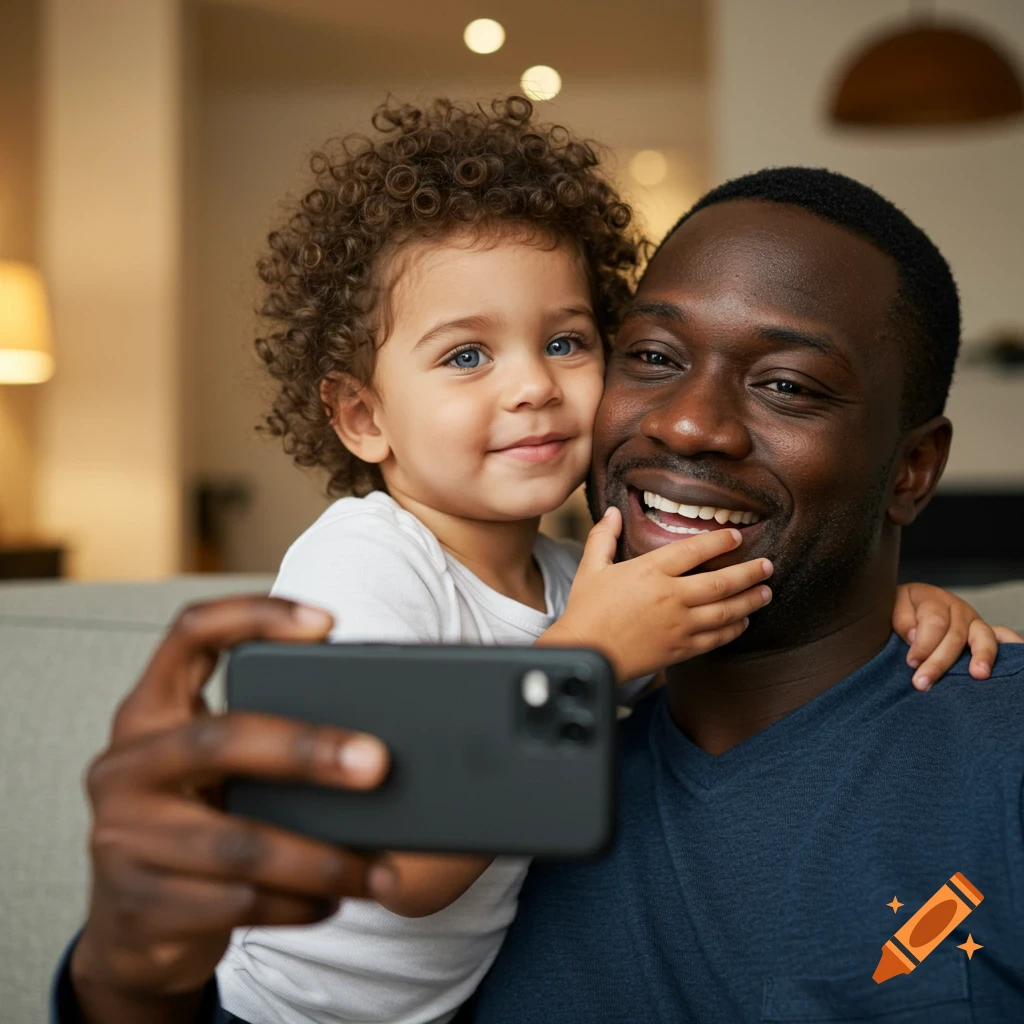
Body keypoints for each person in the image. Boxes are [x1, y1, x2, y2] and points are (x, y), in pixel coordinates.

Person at [51, 154, 1020, 1024]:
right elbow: (398, 864)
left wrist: (925, 602)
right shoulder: (394, 581)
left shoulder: (575, 596)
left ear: (910, 471)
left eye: (787, 385)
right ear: (360, 414)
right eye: (651, 356)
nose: (687, 425)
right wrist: (128, 983)